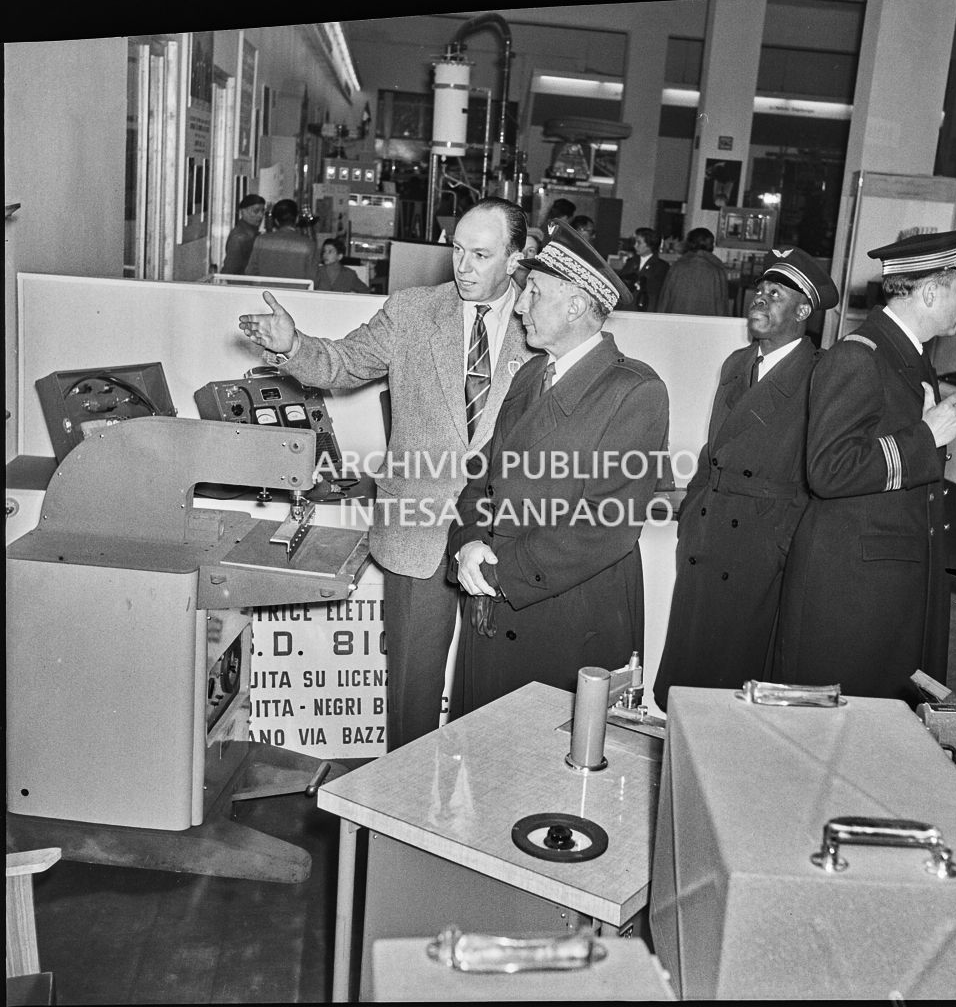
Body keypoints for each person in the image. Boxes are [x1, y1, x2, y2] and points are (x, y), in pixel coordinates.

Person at [237, 197, 534, 750]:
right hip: (416, 531)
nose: (463, 266)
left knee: (495, 702)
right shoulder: (413, 311)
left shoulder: (537, 323)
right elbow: (344, 362)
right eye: (457, 250)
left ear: (517, 258)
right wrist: (293, 345)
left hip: (501, 534)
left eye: (482, 254)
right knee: (412, 699)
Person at [447, 223, 670, 716]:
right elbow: (484, 477)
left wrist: (500, 571)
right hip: (494, 599)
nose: (520, 305)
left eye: (534, 293)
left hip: (567, 622)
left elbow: (606, 527)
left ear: (574, 306)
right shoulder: (532, 372)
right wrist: (467, 542)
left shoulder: (634, 391)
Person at [773, 229, 956, 703]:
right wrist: (928, 437)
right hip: (854, 587)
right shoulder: (857, 358)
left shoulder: (909, 357)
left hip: (887, 576)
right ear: (929, 291)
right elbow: (829, 469)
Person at [653, 247, 838, 705]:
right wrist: (693, 511)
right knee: (689, 675)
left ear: (803, 311)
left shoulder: (821, 374)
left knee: (734, 684)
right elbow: (714, 448)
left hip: (761, 542)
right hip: (709, 531)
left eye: (775, 294)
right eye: (758, 290)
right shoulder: (738, 363)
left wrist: (783, 544)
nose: (759, 299)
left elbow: (823, 473)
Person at [655, 227, 731, 316]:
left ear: (689, 243)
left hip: (678, 322)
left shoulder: (678, 266)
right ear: (711, 244)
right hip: (707, 323)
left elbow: (665, 298)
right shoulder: (717, 269)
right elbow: (722, 304)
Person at [245, 198, 318, 282]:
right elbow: (313, 280)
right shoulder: (308, 245)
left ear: (276, 221)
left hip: (265, 293)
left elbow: (250, 272)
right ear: (297, 219)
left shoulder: (261, 241)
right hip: (296, 294)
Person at [618, 228, 669, 311]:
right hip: (626, 308)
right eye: (635, 242)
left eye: (639, 243)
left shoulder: (661, 266)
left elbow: (657, 289)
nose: (635, 245)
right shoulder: (631, 262)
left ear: (650, 245)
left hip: (646, 308)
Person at [221, 194, 265, 275]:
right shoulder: (240, 237)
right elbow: (229, 270)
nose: (261, 215)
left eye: (262, 211)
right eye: (256, 211)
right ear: (243, 211)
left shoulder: (252, 233)